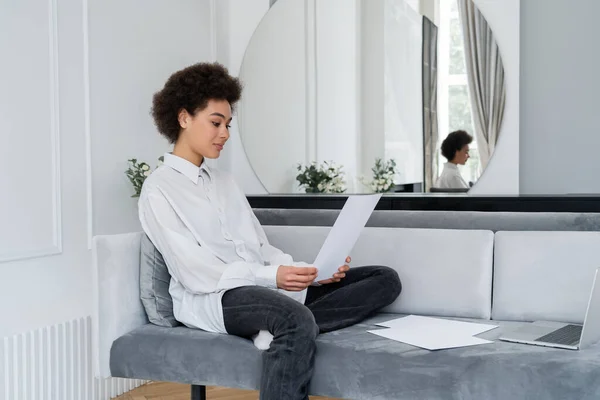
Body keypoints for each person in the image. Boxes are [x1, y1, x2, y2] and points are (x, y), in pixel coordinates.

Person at [138, 62, 402, 400]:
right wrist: (272, 278)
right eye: (216, 123)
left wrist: (309, 273)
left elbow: (260, 248)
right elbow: (195, 273)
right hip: (215, 297)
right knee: (293, 318)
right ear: (184, 117)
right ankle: (288, 324)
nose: (225, 134)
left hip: (264, 290)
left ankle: (276, 328)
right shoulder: (159, 189)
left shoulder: (225, 183)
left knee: (384, 279)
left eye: (228, 125)